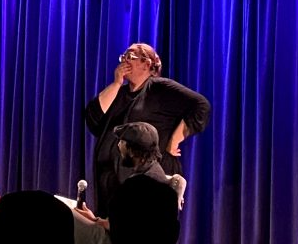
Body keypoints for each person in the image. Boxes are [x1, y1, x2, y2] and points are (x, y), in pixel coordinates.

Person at [84, 42, 210, 216]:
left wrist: (176, 138)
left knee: (139, 229)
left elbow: (201, 105)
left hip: (145, 176)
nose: (125, 61)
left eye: (132, 57)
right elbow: (94, 118)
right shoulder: (119, 93)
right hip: (111, 179)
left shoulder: (160, 88)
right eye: (124, 56)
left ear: (147, 63)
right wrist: (116, 83)